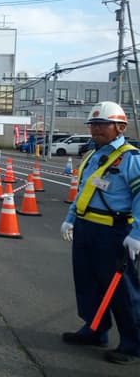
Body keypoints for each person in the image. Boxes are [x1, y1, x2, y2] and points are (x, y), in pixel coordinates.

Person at [60, 101, 140, 365]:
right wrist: (71, 219)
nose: (96, 129)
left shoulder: (131, 158)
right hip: (86, 228)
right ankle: (94, 330)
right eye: (93, 124)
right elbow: (83, 191)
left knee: (123, 291)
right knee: (88, 284)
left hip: (114, 232)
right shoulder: (92, 156)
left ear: (120, 128)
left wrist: (137, 234)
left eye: (103, 124)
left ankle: (132, 345)